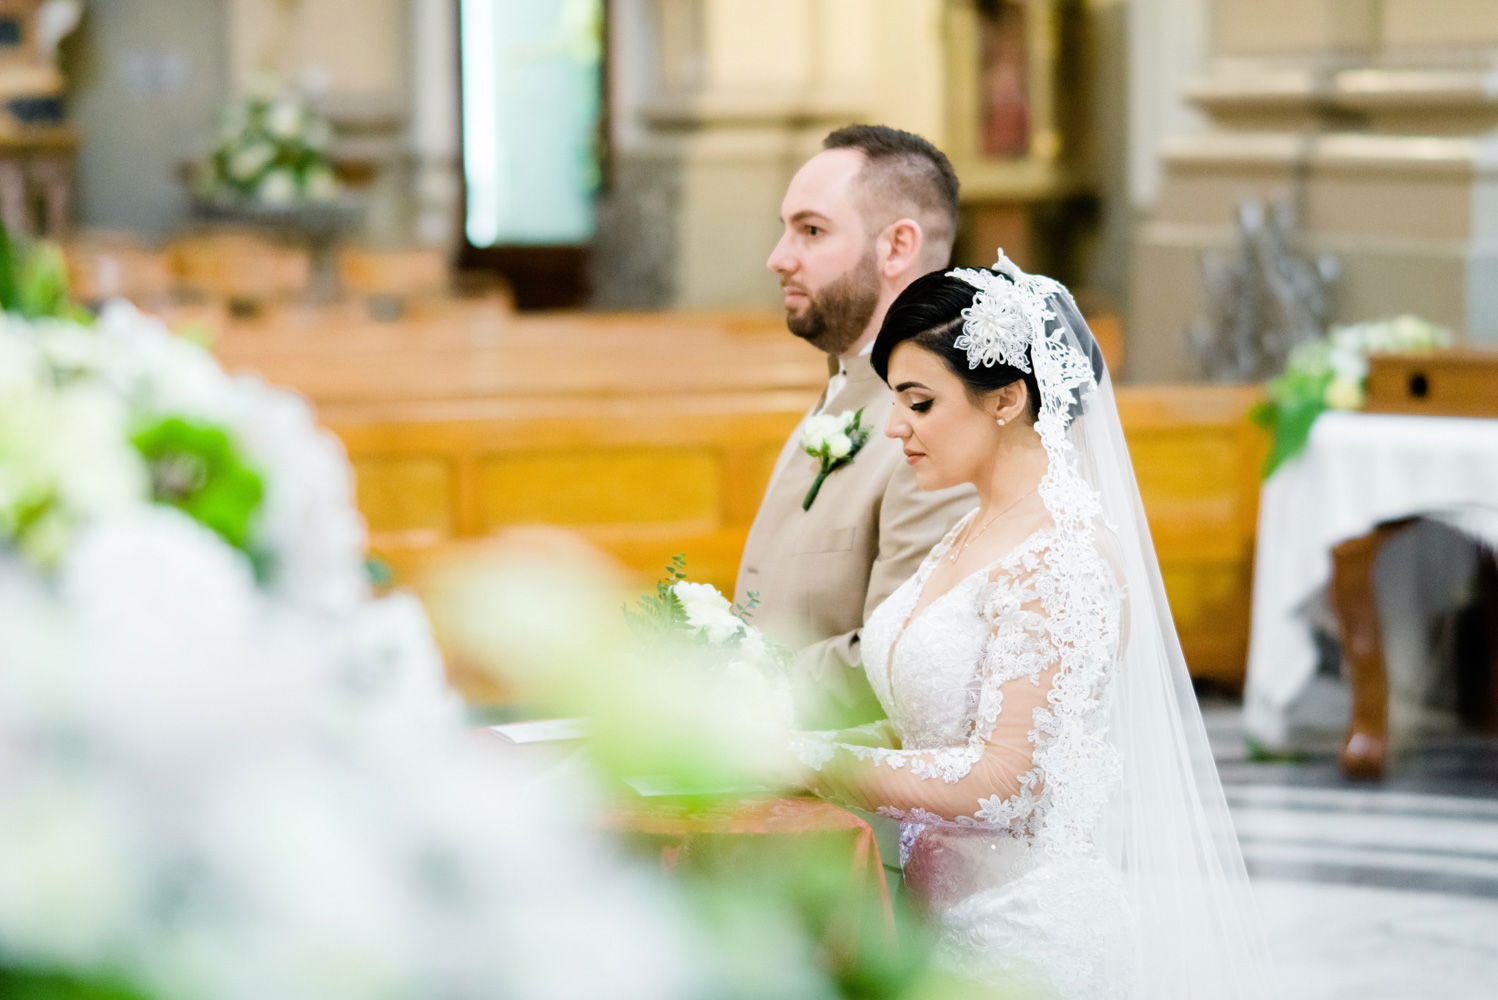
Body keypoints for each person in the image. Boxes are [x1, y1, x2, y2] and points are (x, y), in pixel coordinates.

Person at [793, 254, 1272, 998]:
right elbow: (937, 726)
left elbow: (1007, 781)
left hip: (1023, 939)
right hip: (937, 919)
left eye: (919, 403)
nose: (895, 428)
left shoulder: (1062, 556)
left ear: (1006, 400)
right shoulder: (975, 526)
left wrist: (812, 763)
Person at [737, 124, 975, 727]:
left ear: (896, 247)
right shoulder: (846, 390)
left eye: (811, 231)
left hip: (856, 802)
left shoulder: (938, 427)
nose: (778, 257)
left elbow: (903, 657)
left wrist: (733, 691)